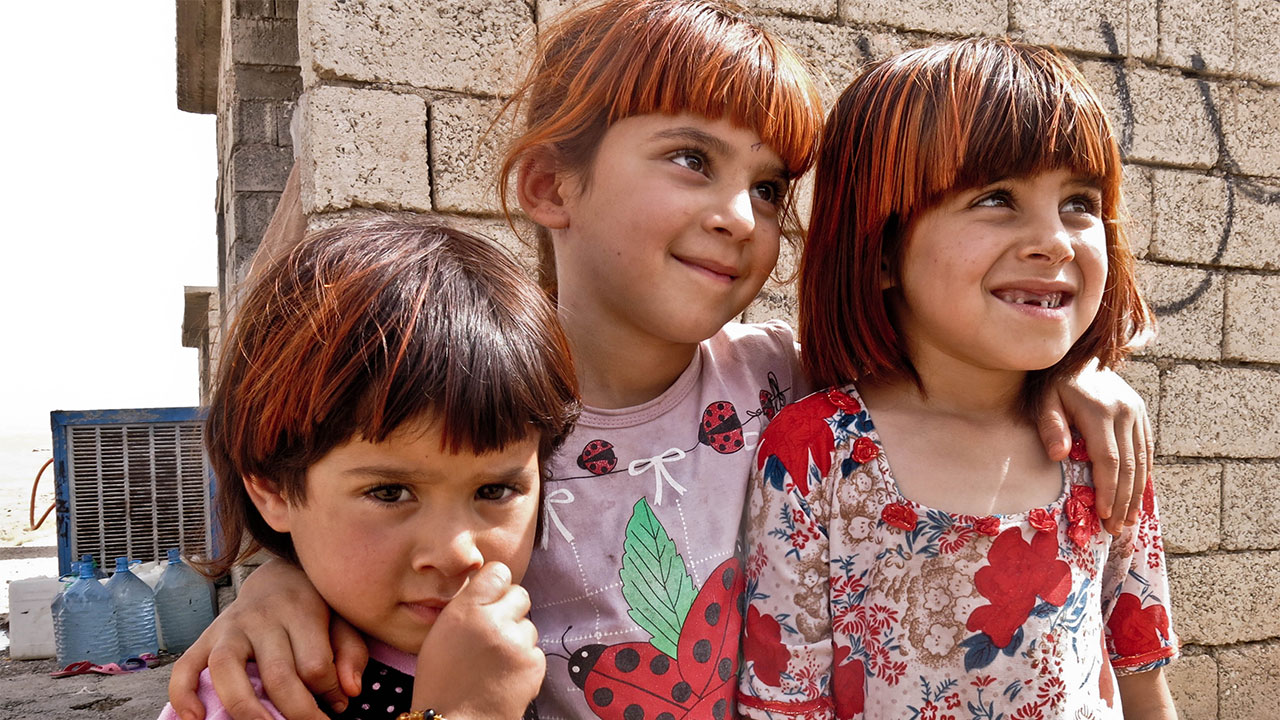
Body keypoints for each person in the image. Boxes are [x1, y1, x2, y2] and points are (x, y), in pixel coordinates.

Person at [168, 4, 1158, 720]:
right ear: (551, 184)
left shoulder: (781, 383)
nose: (738, 215)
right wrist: (277, 577)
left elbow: (955, 365)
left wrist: (1066, 371)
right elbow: (367, 514)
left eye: (769, 187)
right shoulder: (473, 408)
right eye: (690, 159)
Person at [737, 39, 1177, 719]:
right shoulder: (816, 454)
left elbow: (1142, 676)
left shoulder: (1104, 443)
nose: (1055, 240)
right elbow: (785, 704)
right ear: (881, 251)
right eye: (997, 198)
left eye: (1080, 203)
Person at [157, 216, 580, 720]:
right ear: (272, 490)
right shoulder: (252, 696)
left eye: (494, 491)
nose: (456, 554)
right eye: (390, 493)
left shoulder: (549, 623)